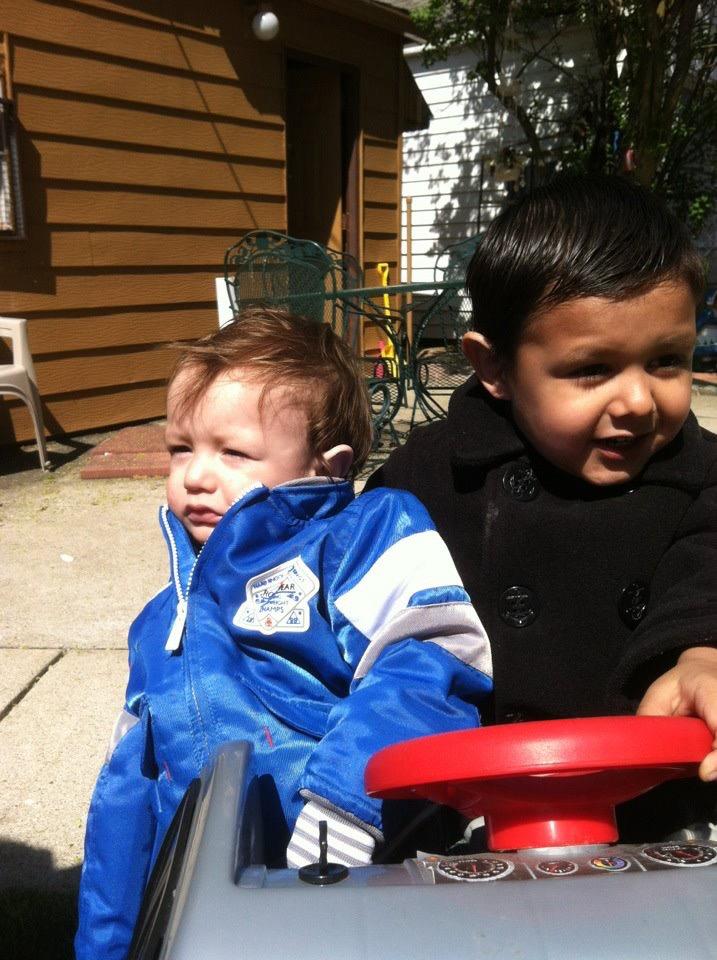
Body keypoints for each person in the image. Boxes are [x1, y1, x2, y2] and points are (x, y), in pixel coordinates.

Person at [75, 308, 493, 960]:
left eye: (233, 452)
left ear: (326, 467)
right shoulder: (160, 622)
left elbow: (433, 656)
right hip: (208, 915)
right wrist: (108, 944)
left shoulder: (358, 539)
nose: (196, 475)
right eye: (181, 447)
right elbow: (124, 798)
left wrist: (350, 802)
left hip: (356, 874)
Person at [367, 174, 717, 840]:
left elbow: (707, 569)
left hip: (656, 815)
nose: (638, 402)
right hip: (469, 812)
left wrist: (702, 654)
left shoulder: (700, 474)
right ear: (494, 368)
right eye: (592, 369)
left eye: (667, 360)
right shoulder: (433, 474)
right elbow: (357, 568)